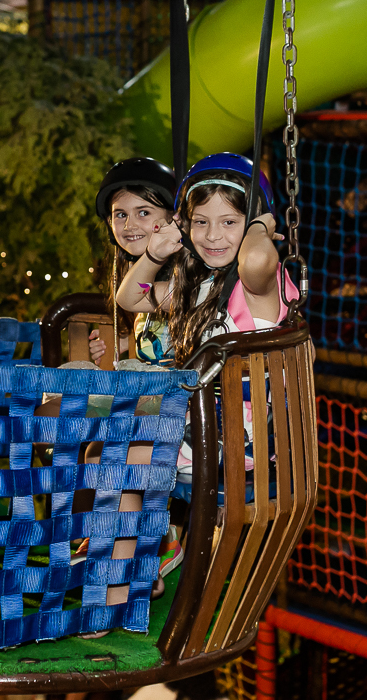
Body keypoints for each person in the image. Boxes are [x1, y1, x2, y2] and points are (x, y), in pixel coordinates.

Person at [116, 153, 298, 499]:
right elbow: (131, 298)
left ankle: (150, 546)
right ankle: (131, 547)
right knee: (106, 437)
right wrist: (155, 255)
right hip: (200, 424)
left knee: (120, 457)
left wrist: (259, 226)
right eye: (201, 222)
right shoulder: (197, 288)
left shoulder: (257, 289)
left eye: (229, 222)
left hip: (239, 438)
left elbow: (258, 257)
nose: (213, 236)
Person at [90, 157, 178, 366]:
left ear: (173, 218)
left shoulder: (187, 273)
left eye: (143, 212)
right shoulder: (134, 273)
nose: (129, 225)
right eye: (121, 215)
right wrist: (122, 341)